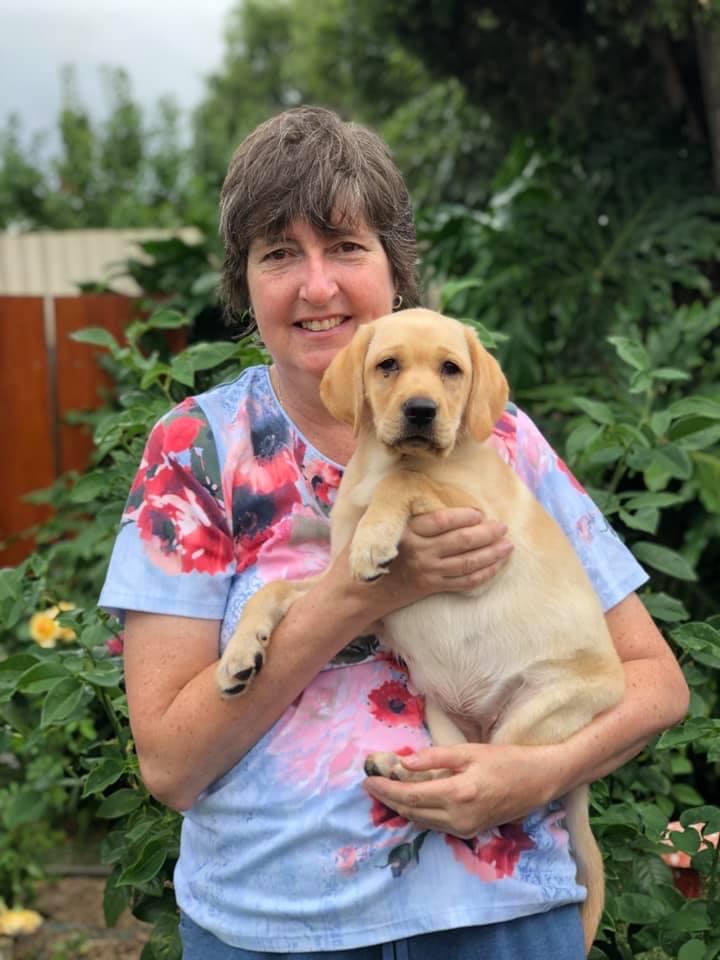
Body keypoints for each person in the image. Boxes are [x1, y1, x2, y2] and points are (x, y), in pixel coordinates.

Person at [99, 106, 689, 960]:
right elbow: (169, 768)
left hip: (502, 914)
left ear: (393, 268)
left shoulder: (500, 438)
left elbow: (654, 684)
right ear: (244, 285)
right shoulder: (196, 452)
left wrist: (541, 772)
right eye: (278, 255)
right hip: (277, 927)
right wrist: (359, 592)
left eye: (346, 247)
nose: (317, 285)